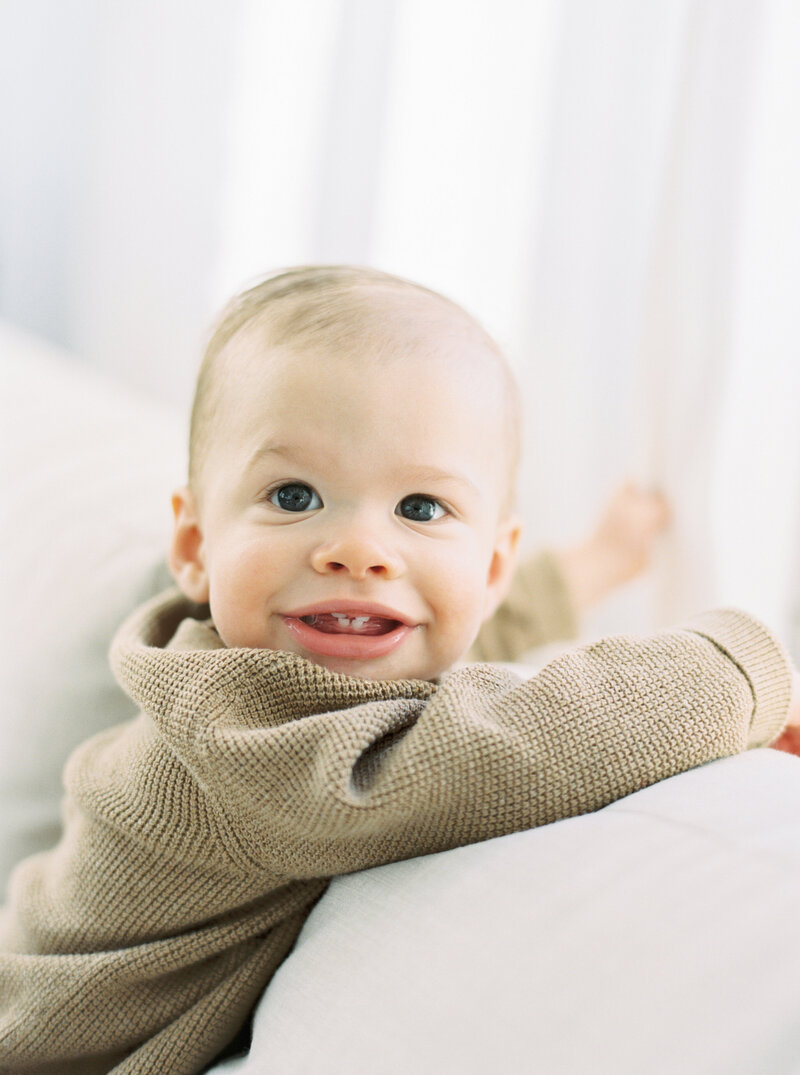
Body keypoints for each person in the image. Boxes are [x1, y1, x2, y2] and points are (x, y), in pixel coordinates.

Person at [0, 266, 796, 1074]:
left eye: (420, 509)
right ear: (196, 547)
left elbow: (451, 639)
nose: (358, 549)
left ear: (493, 568)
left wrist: (589, 568)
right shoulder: (237, 737)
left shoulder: (312, 653)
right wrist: (741, 667)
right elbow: (499, 745)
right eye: (294, 494)